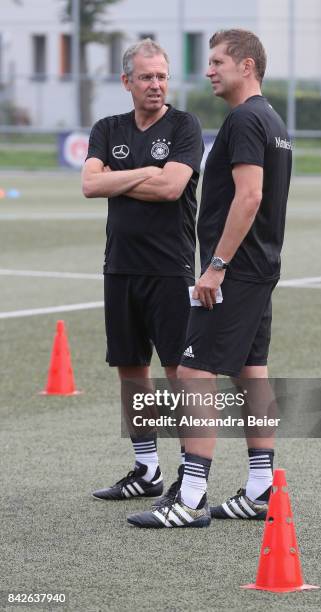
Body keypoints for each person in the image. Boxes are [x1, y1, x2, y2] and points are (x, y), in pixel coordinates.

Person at [127, 29, 292, 528]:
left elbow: (250, 197)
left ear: (246, 66)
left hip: (237, 269)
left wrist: (215, 267)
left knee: (196, 374)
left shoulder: (244, 118)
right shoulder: (273, 119)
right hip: (261, 266)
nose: (209, 70)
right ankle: (262, 488)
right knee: (251, 370)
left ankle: (192, 495)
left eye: (218, 61)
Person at [82, 39, 204, 502]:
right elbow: (90, 184)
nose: (156, 85)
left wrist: (123, 173)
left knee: (178, 371)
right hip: (120, 267)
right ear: (126, 81)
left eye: (162, 76)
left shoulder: (184, 125)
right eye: (147, 77)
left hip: (170, 267)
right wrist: (145, 171)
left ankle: (191, 477)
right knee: (131, 371)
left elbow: (173, 187)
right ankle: (147, 468)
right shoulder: (106, 126)